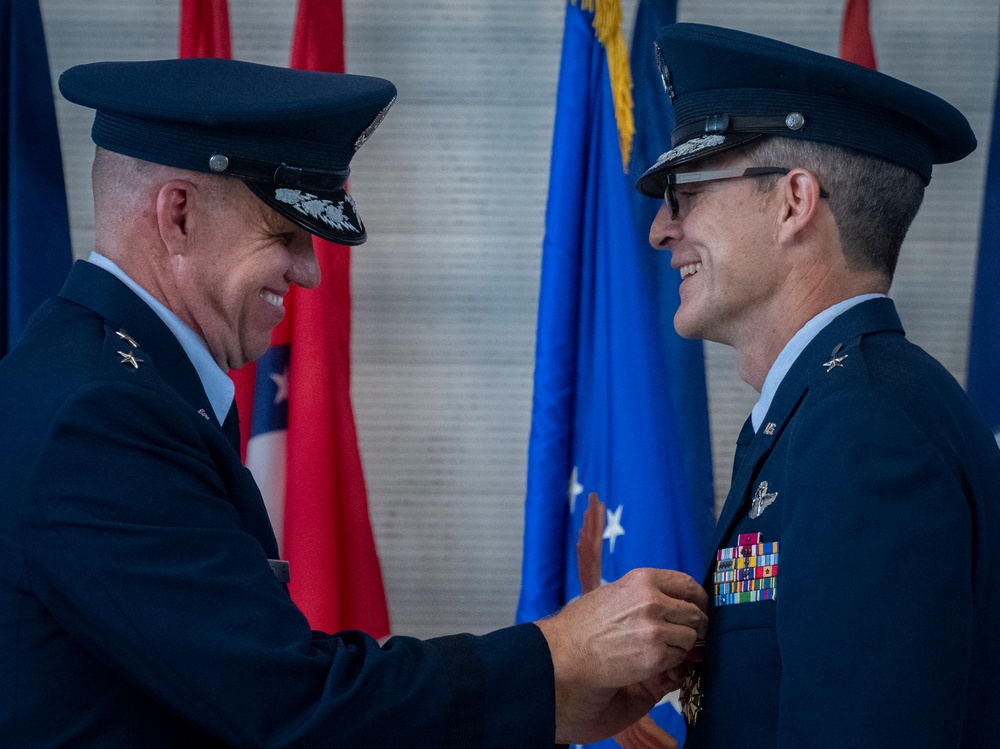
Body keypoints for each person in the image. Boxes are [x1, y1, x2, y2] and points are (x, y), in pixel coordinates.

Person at [0, 57, 708, 747]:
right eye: (284, 233)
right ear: (178, 215)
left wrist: (548, 704)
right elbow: (289, 703)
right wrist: (556, 656)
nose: (308, 271)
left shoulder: (107, 376)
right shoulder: (101, 418)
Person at [634, 23, 1000, 749]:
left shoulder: (865, 429)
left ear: (793, 202)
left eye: (684, 192)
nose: (659, 230)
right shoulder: (824, 406)